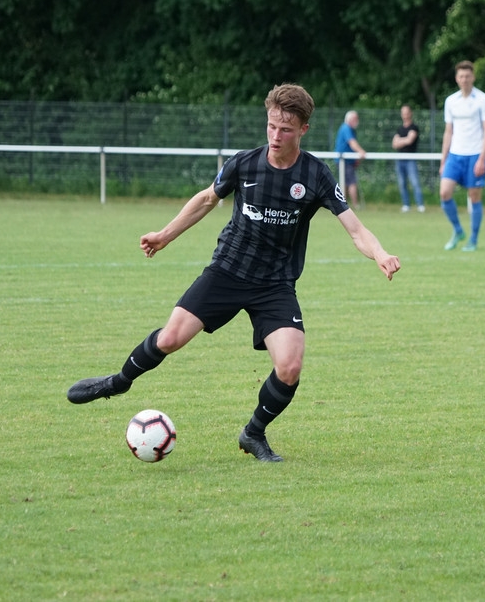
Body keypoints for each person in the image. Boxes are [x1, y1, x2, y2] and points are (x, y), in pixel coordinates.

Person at [66, 84, 401, 462]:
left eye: (286, 129)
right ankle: (118, 382)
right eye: (271, 126)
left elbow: (355, 228)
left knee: (290, 366)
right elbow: (207, 199)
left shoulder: (315, 174)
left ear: (303, 130)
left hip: (275, 284)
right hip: (227, 271)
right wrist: (164, 235)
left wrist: (379, 253)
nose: (276, 136)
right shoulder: (245, 163)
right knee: (170, 338)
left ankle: (253, 433)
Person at [440, 61, 485, 251]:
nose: (464, 79)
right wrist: (443, 159)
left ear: (473, 77)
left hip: (475, 154)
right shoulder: (451, 101)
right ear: (457, 78)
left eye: (467, 76)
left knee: (474, 196)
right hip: (455, 155)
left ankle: (473, 239)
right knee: (444, 193)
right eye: (461, 76)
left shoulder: (483, 100)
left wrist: (482, 158)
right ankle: (458, 230)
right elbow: (448, 131)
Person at [391, 104, 425, 212]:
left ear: (410, 113)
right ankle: (406, 205)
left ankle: (420, 205)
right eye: (403, 113)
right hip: (400, 159)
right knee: (402, 183)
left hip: (410, 159)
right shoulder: (399, 129)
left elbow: (410, 140)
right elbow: (394, 144)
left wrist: (400, 141)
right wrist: (404, 140)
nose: (405, 115)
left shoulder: (414, 127)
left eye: (406, 113)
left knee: (415, 182)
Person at [334, 110, 366, 207]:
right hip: (344, 161)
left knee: (345, 182)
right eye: (356, 119)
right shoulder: (346, 128)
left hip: (347, 161)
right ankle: (354, 205)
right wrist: (361, 152)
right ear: (350, 119)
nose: (357, 121)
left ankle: (343, 205)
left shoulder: (350, 129)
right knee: (351, 182)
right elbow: (352, 143)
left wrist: (355, 158)